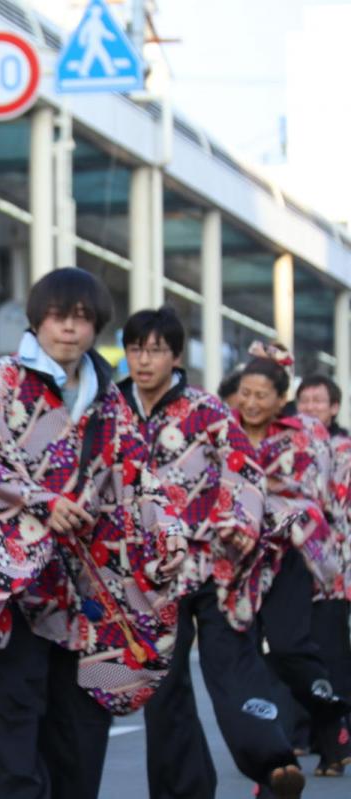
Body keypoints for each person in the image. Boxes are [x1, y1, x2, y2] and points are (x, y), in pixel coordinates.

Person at [0, 267, 187, 799]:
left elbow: (136, 475)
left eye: (83, 318)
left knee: (78, 723)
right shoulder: (4, 376)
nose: (70, 329)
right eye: (59, 316)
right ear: (38, 319)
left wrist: (167, 533)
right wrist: (42, 502)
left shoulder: (108, 396)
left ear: (97, 326)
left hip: (86, 582)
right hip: (10, 575)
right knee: (7, 716)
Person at [118, 307, 303, 798]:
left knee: (232, 666)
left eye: (156, 349)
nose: (144, 359)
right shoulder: (109, 408)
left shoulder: (207, 409)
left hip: (215, 563)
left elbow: (243, 471)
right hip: (150, 575)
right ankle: (186, 790)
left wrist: (240, 521)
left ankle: (273, 760)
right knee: (163, 688)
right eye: (136, 348)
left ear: (176, 355)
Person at [235, 346, 351, 778]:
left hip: (291, 558)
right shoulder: (223, 430)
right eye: (245, 393)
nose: (251, 403)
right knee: (244, 658)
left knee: (291, 649)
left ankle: (330, 715)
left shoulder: (305, 436)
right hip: (237, 561)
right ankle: (272, 754)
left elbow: (310, 498)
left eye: (262, 394)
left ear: (281, 398)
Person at [293, 373, 351, 771]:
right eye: (304, 400)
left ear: (334, 408)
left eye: (319, 400)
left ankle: (336, 739)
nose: (311, 407)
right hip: (293, 569)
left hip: (331, 569)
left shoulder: (343, 451)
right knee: (296, 653)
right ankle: (310, 734)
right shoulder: (289, 447)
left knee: (330, 655)